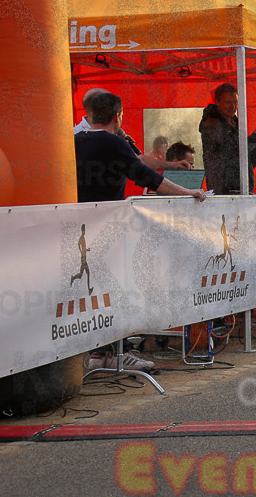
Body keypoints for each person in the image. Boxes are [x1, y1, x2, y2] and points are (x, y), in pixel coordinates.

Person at [74, 91, 207, 372]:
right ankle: (119, 353)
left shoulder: (75, 141)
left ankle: (102, 353)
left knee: (96, 292)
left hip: (79, 232)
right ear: (118, 116)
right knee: (118, 290)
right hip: (107, 232)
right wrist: (188, 192)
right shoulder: (113, 143)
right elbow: (148, 178)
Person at [75, 88, 191, 171]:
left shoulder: (116, 138)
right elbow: (142, 169)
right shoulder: (73, 137)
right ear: (93, 110)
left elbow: (139, 160)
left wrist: (172, 165)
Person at [199, 82, 256, 195]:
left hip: (241, 190)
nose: (233, 107)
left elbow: (249, 162)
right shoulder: (212, 125)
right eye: (228, 102)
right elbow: (232, 154)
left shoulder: (235, 123)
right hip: (223, 191)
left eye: (235, 103)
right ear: (217, 102)